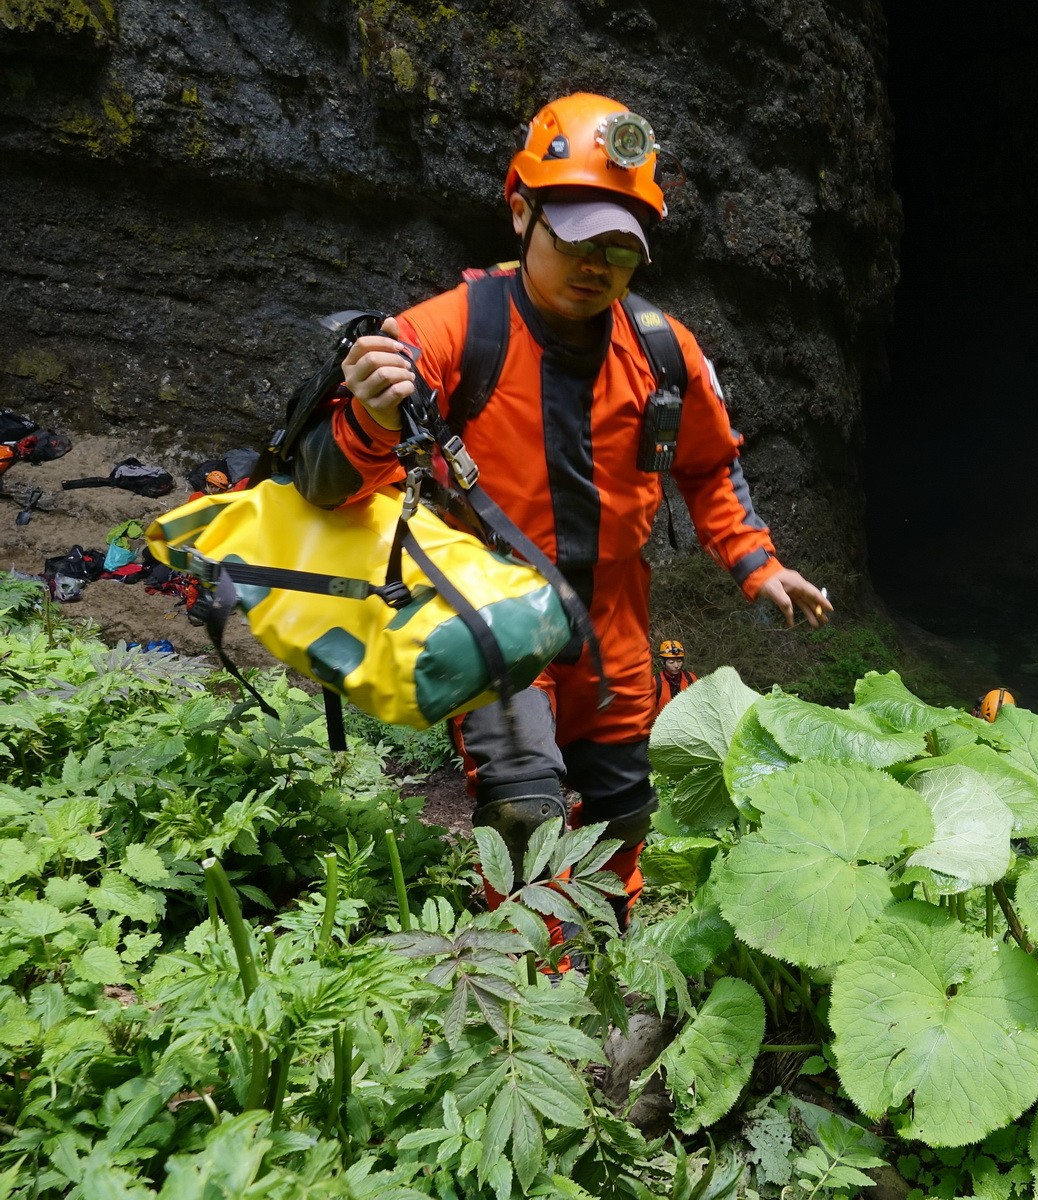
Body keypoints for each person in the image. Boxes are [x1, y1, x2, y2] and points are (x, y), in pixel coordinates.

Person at [292, 92, 832, 926]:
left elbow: (710, 469)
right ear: (521, 212)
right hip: (492, 608)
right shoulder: (443, 334)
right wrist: (368, 414)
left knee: (624, 812)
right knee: (523, 808)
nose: (598, 263)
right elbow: (324, 486)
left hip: (615, 613)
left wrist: (757, 563)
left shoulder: (662, 350)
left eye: (621, 246)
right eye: (578, 237)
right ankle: (530, 972)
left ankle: (611, 961)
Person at [650, 638, 698, 721]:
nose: (676, 665)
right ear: (663, 662)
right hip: (664, 728)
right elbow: (649, 711)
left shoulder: (690, 678)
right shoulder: (656, 682)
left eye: (679, 661)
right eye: (671, 662)